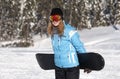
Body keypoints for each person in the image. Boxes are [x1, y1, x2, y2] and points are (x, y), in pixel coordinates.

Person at [47, 8, 91, 79]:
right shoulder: (53, 33)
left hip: (71, 68)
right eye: (52, 18)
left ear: (61, 18)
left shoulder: (70, 31)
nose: (54, 20)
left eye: (57, 17)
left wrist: (86, 62)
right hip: (58, 67)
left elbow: (79, 47)